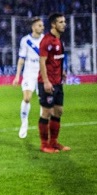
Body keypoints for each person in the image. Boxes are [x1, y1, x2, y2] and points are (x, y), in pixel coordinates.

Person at [37, 13, 69, 153]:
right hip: (48, 83)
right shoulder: (46, 41)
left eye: (64, 22)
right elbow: (42, 62)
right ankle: (44, 144)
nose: (64, 24)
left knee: (58, 111)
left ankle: (54, 142)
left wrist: (62, 72)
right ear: (53, 24)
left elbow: (58, 59)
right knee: (47, 112)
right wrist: (46, 82)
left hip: (58, 82)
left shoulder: (60, 40)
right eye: (61, 22)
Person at [12, 16, 44, 138]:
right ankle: (24, 122)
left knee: (43, 102)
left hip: (42, 75)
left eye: (42, 25)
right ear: (33, 27)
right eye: (40, 25)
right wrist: (17, 76)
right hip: (29, 74)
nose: (42, 27)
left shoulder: (46, 40)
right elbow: (21, 59)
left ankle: (43, 127)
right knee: (26, 98)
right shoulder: (25, 40)